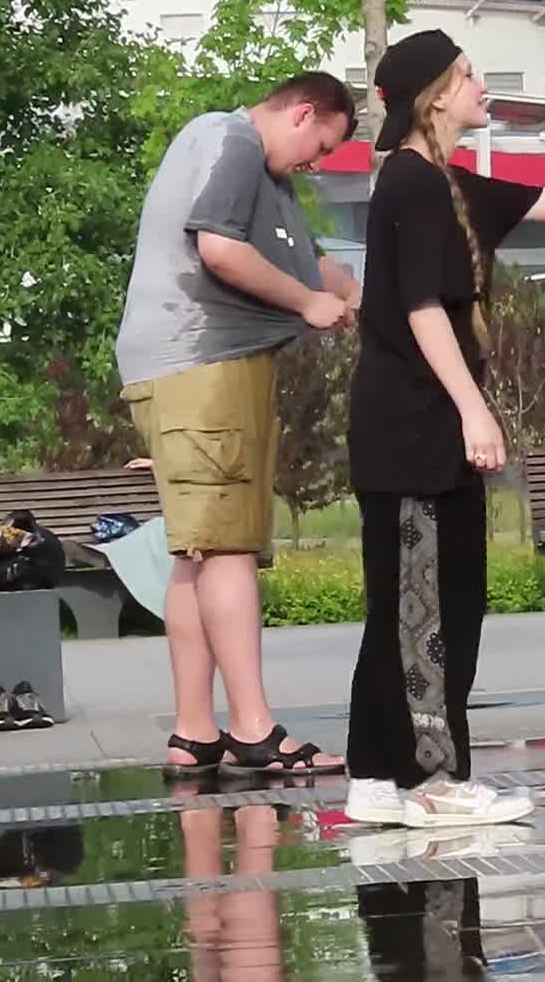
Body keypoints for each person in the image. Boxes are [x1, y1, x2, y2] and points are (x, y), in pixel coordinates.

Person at [343, 30, 545, 828]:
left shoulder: (449, 185)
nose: (481, 85)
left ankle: (374, 775)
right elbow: (423, 308)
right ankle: (431, 780)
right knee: (430, 607)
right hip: (416, 429)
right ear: (433, 98)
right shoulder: (413, 186)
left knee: (412, 602)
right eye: (467, 75)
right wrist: (473, 408)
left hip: (419, 429)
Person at [115, 72, 359, 775]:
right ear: (304, 113)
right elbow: (219, 249)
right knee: (227, 550)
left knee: (198, 548)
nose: (318, 163)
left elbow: (308, 263)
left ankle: (194, 731)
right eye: (322, 145)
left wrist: (350, 293)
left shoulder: (260, 171)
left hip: (204, 366)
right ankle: (254, 729)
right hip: (201, 363)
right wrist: (307, 305)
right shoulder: (233, 141)